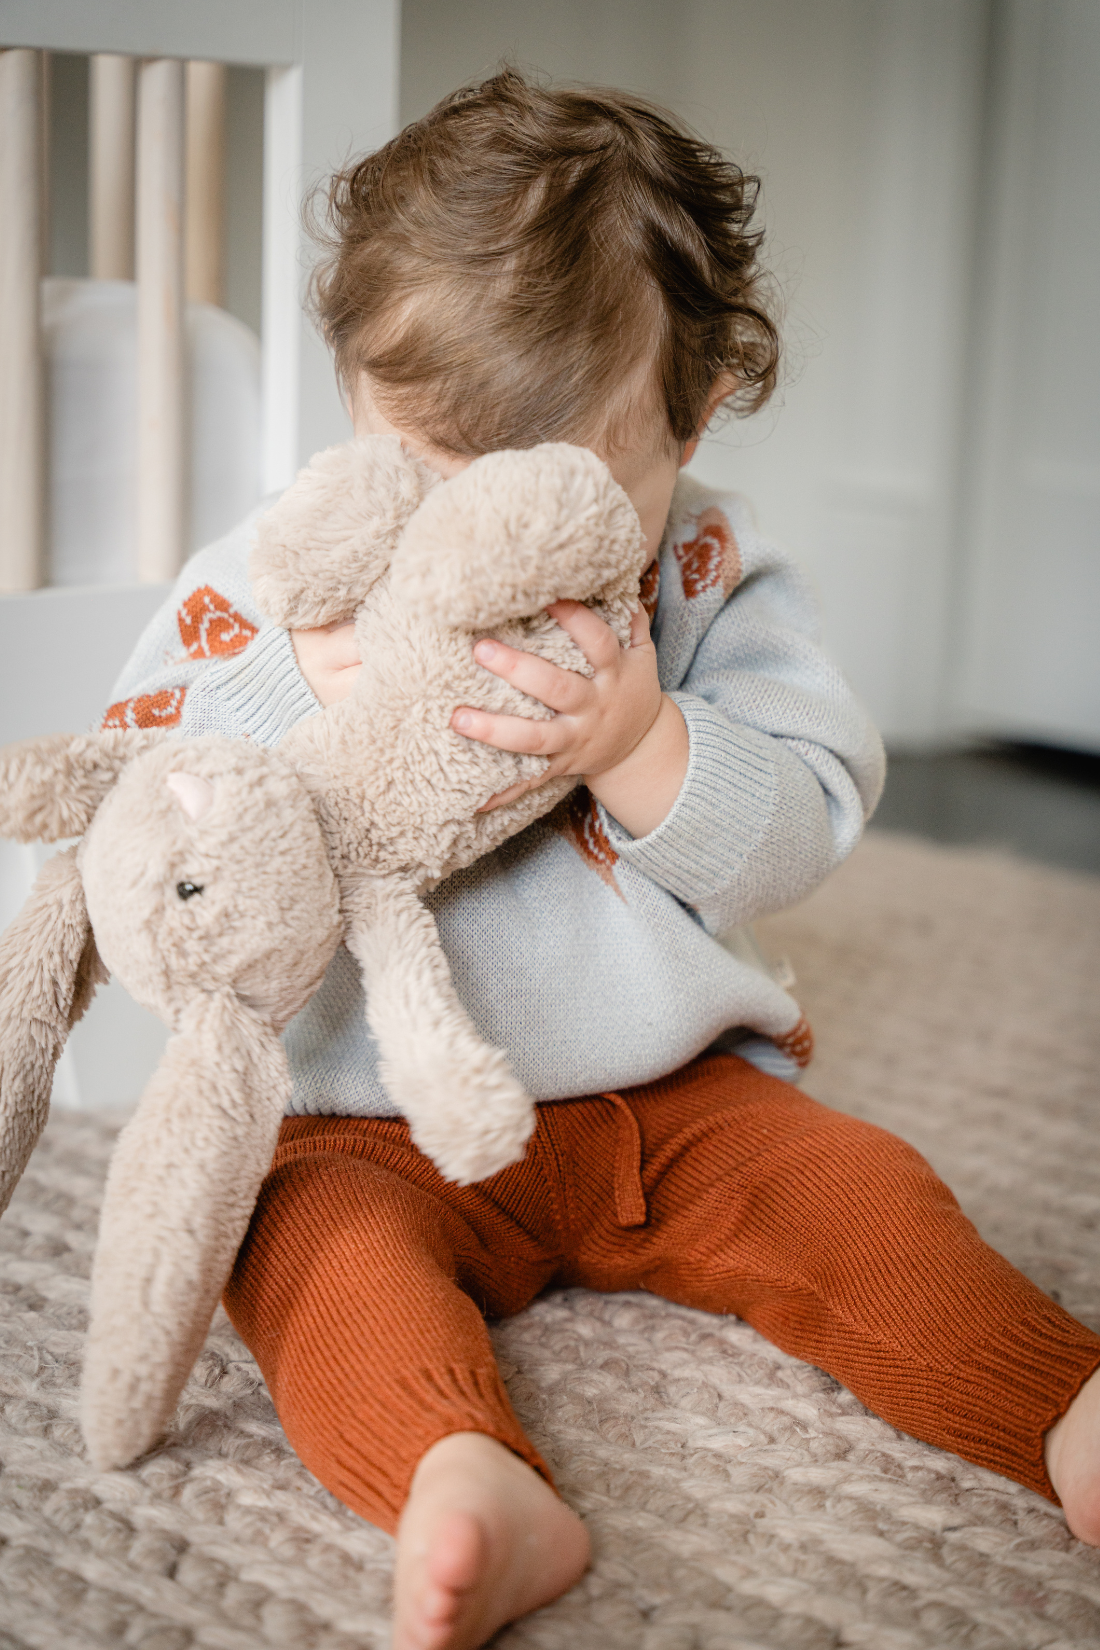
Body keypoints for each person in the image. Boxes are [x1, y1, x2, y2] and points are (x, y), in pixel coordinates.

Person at [105, 71, 1100, 1650]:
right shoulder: (285, 573)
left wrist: (644, 743)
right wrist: (301, 682)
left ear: (694, 425)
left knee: (864, 1195)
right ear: (358, 400)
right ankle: (459, 1473)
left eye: (564, 502)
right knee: (295, 1252)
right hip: (369, 1116)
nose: (479, 556)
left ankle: (1061, 1405)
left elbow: (809, 814)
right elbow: (146, 771)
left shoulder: (709, 573)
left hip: (672, 1095)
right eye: (433, 480)